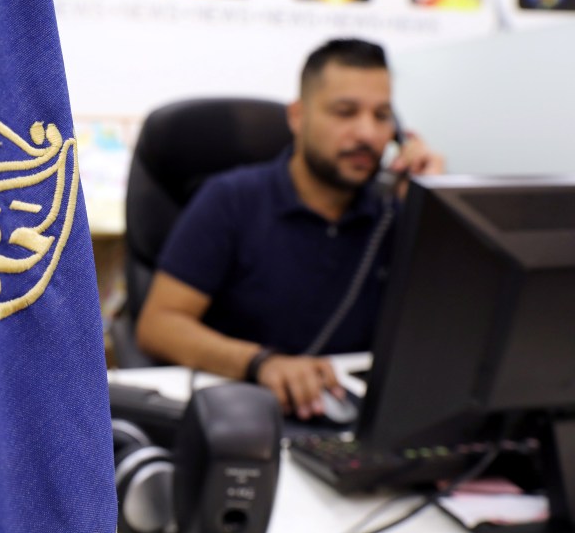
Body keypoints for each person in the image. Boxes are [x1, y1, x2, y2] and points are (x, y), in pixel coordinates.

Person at [134, 38, 444, 420]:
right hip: (243, 412)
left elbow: (445, 334)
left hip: (352, 417)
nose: (367, 133)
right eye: (345, 112)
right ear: (298, 117)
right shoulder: (231, 199)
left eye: (381, 116)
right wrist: (261, 363)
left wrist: (433, 207)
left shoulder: (393, 212)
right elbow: (158, 325)